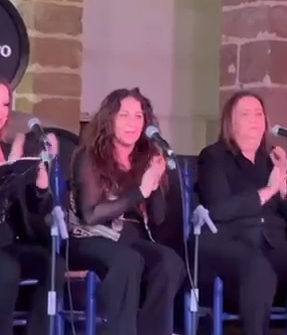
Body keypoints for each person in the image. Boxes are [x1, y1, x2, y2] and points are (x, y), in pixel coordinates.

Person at [194, 91, 287, 335]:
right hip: (233, 240)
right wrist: (268, 191)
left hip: (273, 241)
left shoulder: (273, 158)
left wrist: (284, 189)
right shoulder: (214, 157)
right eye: (245, 114)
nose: (254, 120)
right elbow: (218, 209)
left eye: (259, 114)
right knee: (258, 268)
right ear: (231, 122)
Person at [67, 88, 186, 335]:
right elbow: (90, 215)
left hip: (130, 240)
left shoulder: (144, 158)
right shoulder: (89, 157)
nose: (132, 123)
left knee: (170, 263)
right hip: (89, 238)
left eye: (138, 116)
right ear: (109, 119)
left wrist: (156, 181)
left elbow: (158, 218)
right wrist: (140, 191)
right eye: (124, 115)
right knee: (128, 260)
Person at [0, 79, 63, 335]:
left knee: (52, 265)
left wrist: (39, 185)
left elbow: (29, 208)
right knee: (7, 270)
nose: (1, 111)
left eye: (5, 104)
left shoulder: (7, 149)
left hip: (8, 242)